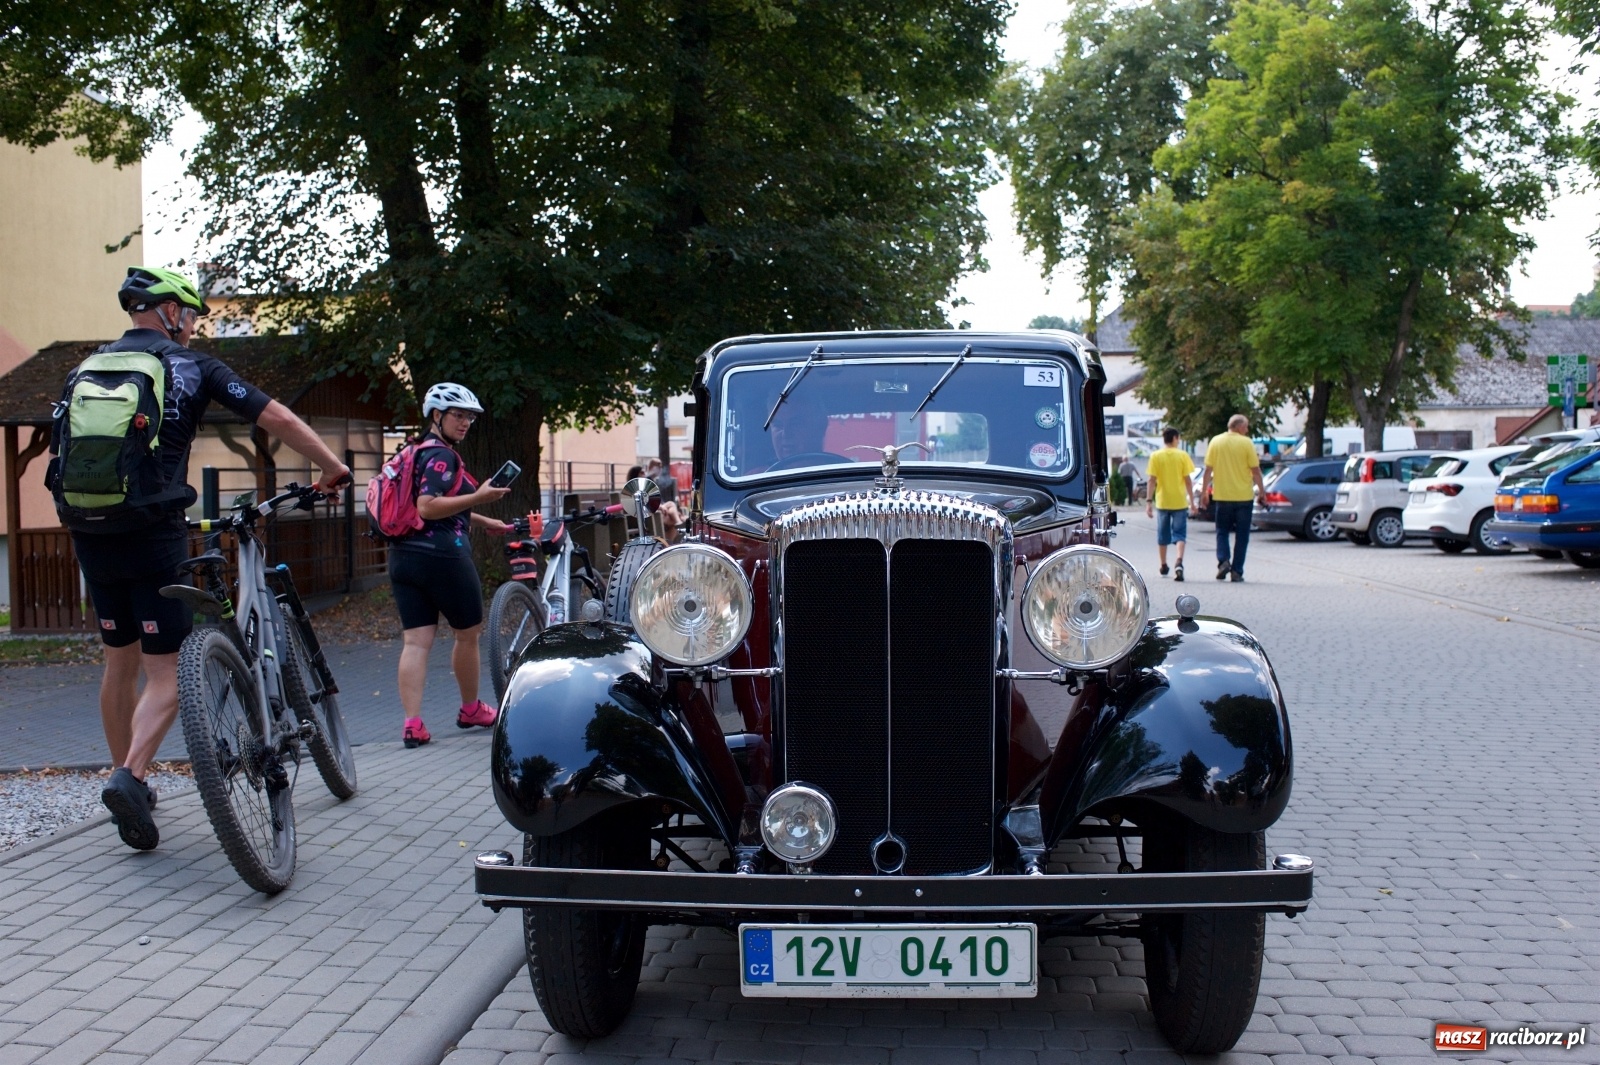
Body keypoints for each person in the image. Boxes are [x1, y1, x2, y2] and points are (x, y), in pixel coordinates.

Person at [51, 266, 351, 852]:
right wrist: (329, 465)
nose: (192, 327)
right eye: (191, 316)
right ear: (171, 313)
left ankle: (129, 782)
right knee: (165, 671)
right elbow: (278, 418)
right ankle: (131, 777)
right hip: (153, 531)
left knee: (119, 661)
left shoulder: (86, 367)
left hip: (90, 529)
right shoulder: (190, 366)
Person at [389, 383, 513, 749]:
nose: (465, 423)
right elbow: (428, 506)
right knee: (468, 633)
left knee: (415, 641)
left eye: (470, 417)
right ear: (436, 415)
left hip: (402, 556)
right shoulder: (443, 456)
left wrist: (482, 519)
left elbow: (428, 506)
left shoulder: (411, 453)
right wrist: (482, 496)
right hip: (442, 555)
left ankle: (412, 723)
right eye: (458, 415)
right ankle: (471, 708)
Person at [1201, 413, 1267, 582]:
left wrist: (1204, 492)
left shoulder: (1216, 441)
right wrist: (1261, 491)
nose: (1247, 429)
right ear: (1238, 427)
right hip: (1244, 497)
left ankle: (1223, 560)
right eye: (1245, 426)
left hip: (1222, 496)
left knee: (1222, 531)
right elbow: (1255, 470)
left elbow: (1208, 470)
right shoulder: (1246, 443)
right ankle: (1237, 571)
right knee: (1242, 535)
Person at [1145, 427, 1196, 580]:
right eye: (1178, 438)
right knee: (1180, 534)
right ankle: (1179, 562)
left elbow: (1151, 480)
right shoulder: (1182, 455)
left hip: (1162, 502)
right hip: (1179, 502)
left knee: (1162, 535)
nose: (1179, 440)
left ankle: (1163, 565)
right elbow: (1188, 481)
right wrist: (1192, 502)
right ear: (1174, 438)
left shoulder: (1155, 456)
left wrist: (1148, 502)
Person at [644, 457, 683, 541]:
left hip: (657, 511)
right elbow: (648, 500)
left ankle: (677, 524)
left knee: (671, 507)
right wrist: (661, 506)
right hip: (652, 514)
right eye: (658, 466)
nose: (660, 469)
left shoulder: (652, 481)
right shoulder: (647, 481)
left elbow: (657, 500)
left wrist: (661, 506)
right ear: (652, 467)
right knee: (671, 507)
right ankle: (678, 523)